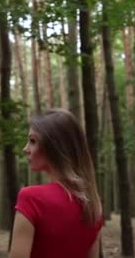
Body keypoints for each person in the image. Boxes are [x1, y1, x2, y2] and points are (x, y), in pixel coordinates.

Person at [9, 108, 103, 258]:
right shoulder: (93, 205)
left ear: (54, 146)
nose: (26, 149)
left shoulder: (32, 198)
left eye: (33, 141)